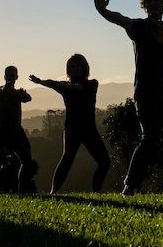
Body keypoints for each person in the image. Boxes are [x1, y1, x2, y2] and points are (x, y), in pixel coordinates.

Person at [94, 0, 163, 194]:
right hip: (145, 95)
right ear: (144, 4)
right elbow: (120, 19)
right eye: (148, 0)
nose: (151, 3)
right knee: (150, 139)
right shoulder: (139, 27)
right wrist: (102, 10)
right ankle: (130, 187)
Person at [31, 53, 110, 193]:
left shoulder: (92, 84)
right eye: (72, 66)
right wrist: (40, 82)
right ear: (69, 69)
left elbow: (76, 87)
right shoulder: (65, 86)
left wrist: (55, 84)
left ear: (84, 67)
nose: (76, 69)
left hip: (89, 130)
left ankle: (97, 192)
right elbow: (53, 83)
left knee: (104, 162)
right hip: (72, 129)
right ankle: (53, 192)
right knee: (67, 160)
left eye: (78, 66)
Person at [0, 66, 36, 193]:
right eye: (8, 75)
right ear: (4, 77)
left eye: (13, 75)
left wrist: (20, 93)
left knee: (27, 162)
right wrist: (13, 92)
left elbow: (28, 98)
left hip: (17, 131)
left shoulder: (16, 93)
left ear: (16, 77)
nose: (10, 78)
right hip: (4, 132)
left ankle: (22, 192)